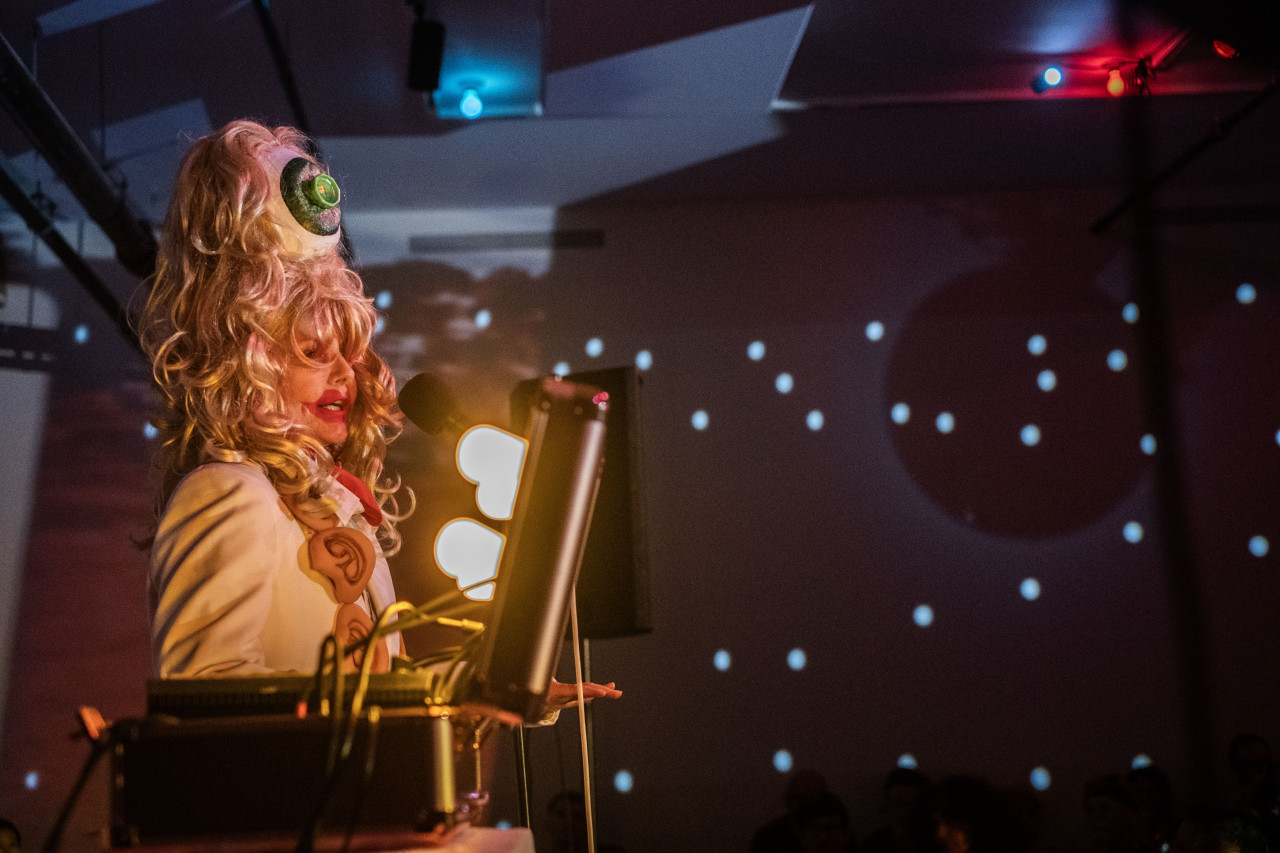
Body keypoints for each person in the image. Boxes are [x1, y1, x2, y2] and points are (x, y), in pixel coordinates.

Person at [139, 120, 620, 711]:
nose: (343, 375)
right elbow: (203, 701)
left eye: (349, 351)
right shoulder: (226, 493)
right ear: (250, 364)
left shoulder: (343, 509)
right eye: (313, 352)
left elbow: (375, 702)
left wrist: (485, 697)